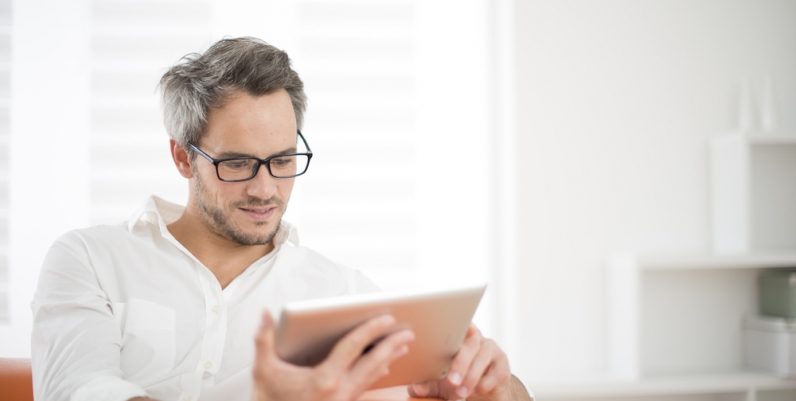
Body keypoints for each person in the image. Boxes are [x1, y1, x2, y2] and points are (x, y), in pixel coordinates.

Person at [30, 37, 532, 401]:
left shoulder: (342, 293)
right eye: (238, 163)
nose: (265, 189)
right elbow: (80, 391)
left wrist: (495, 388)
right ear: (183, 158)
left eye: (283, 160)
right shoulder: (89, 259)